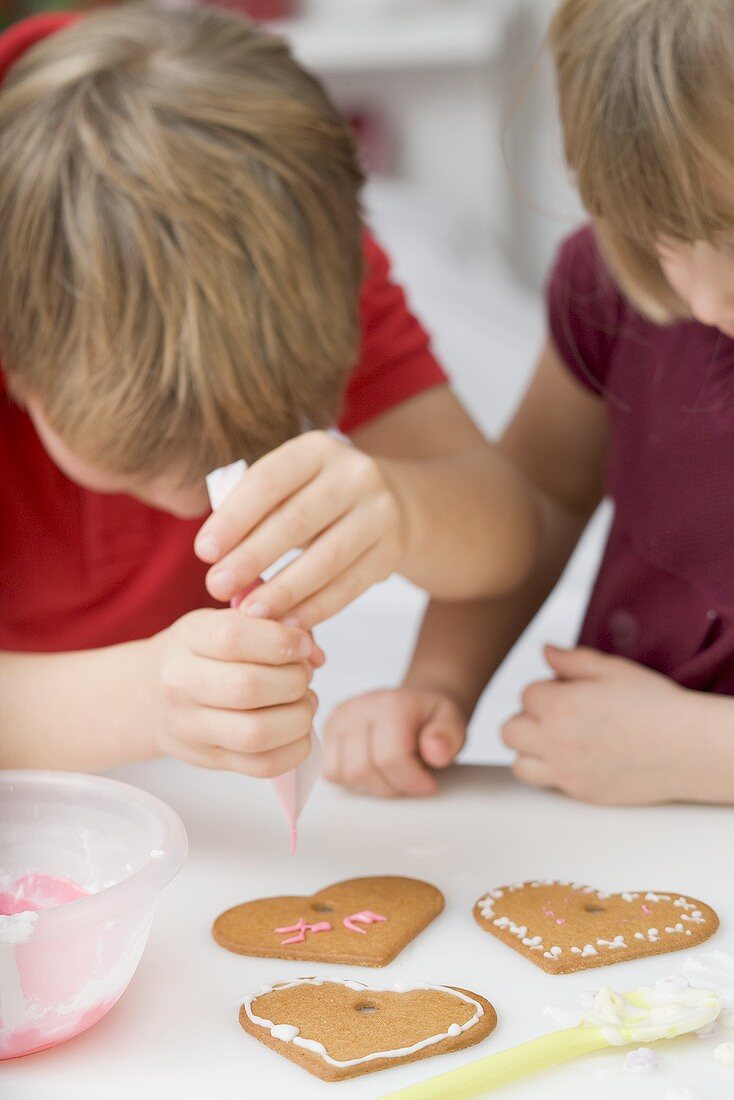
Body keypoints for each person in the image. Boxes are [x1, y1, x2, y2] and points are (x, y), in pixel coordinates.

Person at [0, 7, 534, 774]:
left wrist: (404, 509)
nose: (199, 510)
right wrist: (142, 699)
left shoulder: (290, 238)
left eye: (255, 441)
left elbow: (505, 531)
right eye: (139, 462)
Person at [326, 0, 734, 808]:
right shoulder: (611, 288)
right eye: (656, 236)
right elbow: (543, 493)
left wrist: (701, 754)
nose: (703, 296)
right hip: (614, 822)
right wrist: (440, 681)